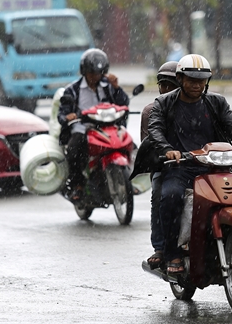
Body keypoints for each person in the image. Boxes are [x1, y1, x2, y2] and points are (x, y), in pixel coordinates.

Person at [148, 54, 232, 274]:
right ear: (180, 79)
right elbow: (155, 129)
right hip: (180, 168)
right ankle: (172, 254)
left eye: (201, 80)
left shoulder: (216, 102)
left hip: (215, 168)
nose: (196, 85)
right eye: (191, 80)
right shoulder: (164, 102)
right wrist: (167, 150)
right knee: (171, 196)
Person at [58, 48, 129, 201]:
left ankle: (129, 178)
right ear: (84, 72)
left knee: (129, 143)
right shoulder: (72, 90)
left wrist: (116, 87)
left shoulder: (108, 86)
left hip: (107, 128)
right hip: (83, 129)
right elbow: (62, 114)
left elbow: (124, 103)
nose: (94, 77)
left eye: (98, 73)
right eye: (91, 73)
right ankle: (77, 186)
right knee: (74, 149)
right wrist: (68, 116)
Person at [139, 61, 180, 269]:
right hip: (164, 167)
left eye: (171, 84)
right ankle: (160, 246)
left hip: (195, 163)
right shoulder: (151, 111)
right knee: (158, 193)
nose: (166, 89)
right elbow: (149, 148)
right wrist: (167, 154)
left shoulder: (197, 105)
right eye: (162, 84)